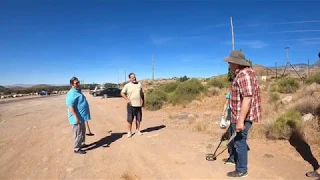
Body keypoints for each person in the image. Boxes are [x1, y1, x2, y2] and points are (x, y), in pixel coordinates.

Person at [223, 50, 262, 178]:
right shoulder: (241, 74)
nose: (228, 63)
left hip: (242, 117)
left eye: (230, 61)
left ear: (236, 62)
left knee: (240, 141)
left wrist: (240, 121)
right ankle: (234, 158)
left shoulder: (244, 74)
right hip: (237, 115)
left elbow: (247, 97)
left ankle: (242, 170)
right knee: (235, 139)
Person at [66, 77, 91, 154]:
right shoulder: (71, 93)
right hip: (76, 118)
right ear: (72, 84)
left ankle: (82, 144)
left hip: (82, 117)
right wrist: (76, 117)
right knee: (78, 134)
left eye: (78, 82)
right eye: (76, 83)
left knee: (83, 132)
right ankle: (77, 148)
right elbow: (70, 106)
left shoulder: (78, 91)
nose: (78, 84)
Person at [121, 73, 145, 138]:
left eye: (134, 77)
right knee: (130, 119)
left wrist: (143, 102)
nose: (134, 78)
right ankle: (129, 132)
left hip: (138, 105)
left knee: (138, 119)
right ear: (129, 79)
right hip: (131, 105)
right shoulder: (127, 85)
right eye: (132, 77)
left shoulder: (139, 84)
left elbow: (142, 94)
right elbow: (122, 93)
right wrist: (127, 99)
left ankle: (138, 130)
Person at [221, 91, 235, 165]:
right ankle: (232, 156)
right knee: (231, 136)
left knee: (232, 136)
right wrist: (223, 112)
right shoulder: (230, 93)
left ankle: (233, 157)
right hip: (230, 114)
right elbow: (226, 103)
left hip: (234, 114)